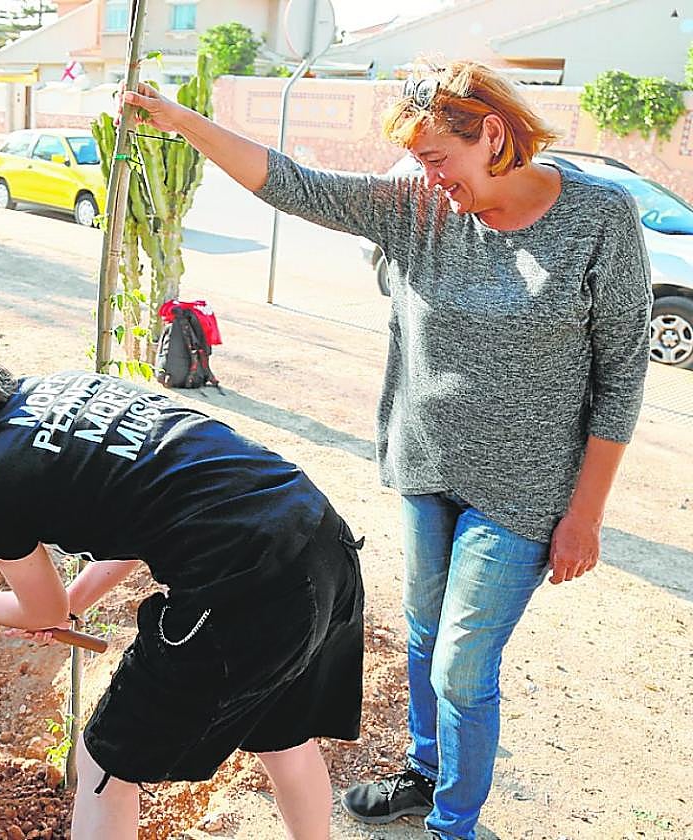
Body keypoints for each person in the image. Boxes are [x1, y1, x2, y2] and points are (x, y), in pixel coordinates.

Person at [123, 59, 651, 840]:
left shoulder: (600, 218)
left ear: (494, 135)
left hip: (526, 492)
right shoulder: (417, 204)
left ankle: (453, 827)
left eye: (438, 157)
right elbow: (296, 184)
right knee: (425, 634)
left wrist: (586, 516)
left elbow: (622, 377)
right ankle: (428, 770)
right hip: (426, 467)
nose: (425, 175)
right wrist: (185, 124)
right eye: (418, 161)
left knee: (462, 669)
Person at [0, 319, 366, 840]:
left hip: (247, 585)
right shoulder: (66, 386)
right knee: (281, 736)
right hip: (319, 537)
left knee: (103, 766)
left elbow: (43, 613)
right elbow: (145, 508)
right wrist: (76, 598)